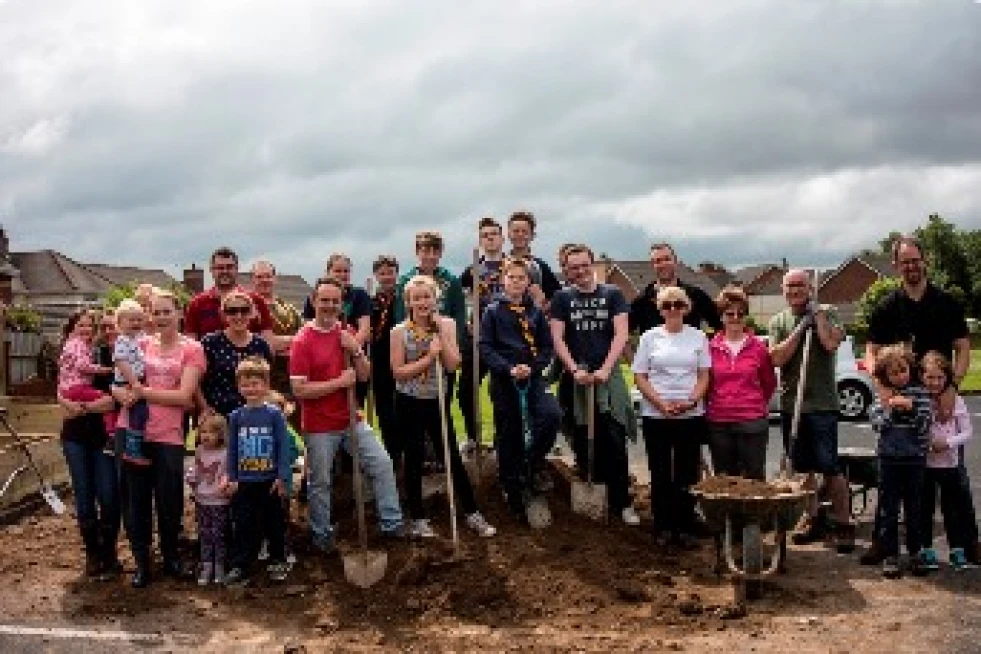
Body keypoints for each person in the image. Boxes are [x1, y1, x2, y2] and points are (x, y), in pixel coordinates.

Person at [864, 235, 979, 565]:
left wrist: (952, 388)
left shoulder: (946, 303)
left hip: (939, 393)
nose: (911, 266)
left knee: (954, 476)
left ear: (924, 260)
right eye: (905, 261)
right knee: (900, 482)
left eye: (916, 260)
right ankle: (886, 543)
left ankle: (970, 542)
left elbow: (962, 348)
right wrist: (882, 387)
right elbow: (871, 350)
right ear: (896, 265)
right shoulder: (887, 306)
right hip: (902, 398)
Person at [290, 277, 404, 554]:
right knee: (320, 481)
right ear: (314, 302)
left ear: (342, 304)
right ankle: (321, 536)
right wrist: (338, 383)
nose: (329, 306)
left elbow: (364, 375)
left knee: (382, 464)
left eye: (335, 301)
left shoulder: (346, 332)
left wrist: (354, 349)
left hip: (351, 418)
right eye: (324, 300)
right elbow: (300, 389)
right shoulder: (303, 340)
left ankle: (391, 523)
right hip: (319, 426)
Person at [391, 275, 497, 539]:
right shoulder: (399, 332)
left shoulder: (446, 325)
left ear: (435, 299)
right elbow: (399, 372)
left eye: (427, 296)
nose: (423, 302)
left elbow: (452, 365)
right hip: (408, 401)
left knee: (450, 456)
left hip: (437, 400)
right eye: (417, 298)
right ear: (409, 303)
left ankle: (472, 512)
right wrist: (428, 358)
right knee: (413, 458)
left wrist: (442, 338)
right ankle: (417, 517)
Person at [113, 290, 206, 588]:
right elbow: (116, 382)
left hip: (168, 435)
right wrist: (121, 393)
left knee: (169, 501)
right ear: (149, 315)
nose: (162, 317)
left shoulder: (192, 349)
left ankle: (170, 558)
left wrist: (143, 392)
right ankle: (142, 562)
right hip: (133, 431)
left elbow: (183, 396)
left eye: (168, 312)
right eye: (157, 312)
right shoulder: (138, 343)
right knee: (135, 501)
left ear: (178, 314)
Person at [550, 244, 640, 526]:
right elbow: (558, 338)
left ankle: (622, 502)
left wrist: (606, 368)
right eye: (573, 267)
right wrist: (573, 368)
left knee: (613, 437)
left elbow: (621, 333)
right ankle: (593, 492)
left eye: (584, 265)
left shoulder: (611, 294)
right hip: (576, 376)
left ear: (593, 264)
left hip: (607, 376)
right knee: (582, 437)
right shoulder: (563, 298)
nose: (580, 271)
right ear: (568, 270)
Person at [768, 269, 855, 553]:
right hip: (793, 404)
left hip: (822, 405)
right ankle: (812, 518)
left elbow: (830, 343)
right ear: (783, 289)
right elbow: (778, 358)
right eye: (790, 286)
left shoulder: (828, 313)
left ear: (810, 288)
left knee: (829, 467)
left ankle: (844, 524)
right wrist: (799, 328)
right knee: (803, 468)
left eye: (800, 286)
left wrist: (816, 317)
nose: (795, 291)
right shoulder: (779, 321)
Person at [480, 258, 561, 524]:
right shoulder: (493, 311)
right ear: (503, 280)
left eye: (521, 278)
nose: (516, 282)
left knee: (551, 416)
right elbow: (486, 347)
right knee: (510, 430)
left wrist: (533, 367)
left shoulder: (535, 312)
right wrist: (508, 369)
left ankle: (532, 463)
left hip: (533, 376)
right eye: (511, 277)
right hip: (505, 379)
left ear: (529, 282)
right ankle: (511, 485)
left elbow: (547, 348)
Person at [632, 286, 711, 547]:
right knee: (661, 470)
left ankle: (686, 525)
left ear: (686, 308)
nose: (673, 310)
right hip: (656, 414)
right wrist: (660, 403)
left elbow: (704, 376)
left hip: (690, 415)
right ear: (660, 310)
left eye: (678, 304)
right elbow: (640, 376)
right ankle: (663, 526)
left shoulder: (698, 337)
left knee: (688, 473)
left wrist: (691, 401)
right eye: (667, 306)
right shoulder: (649, 338)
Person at [56, 309, 121, 580]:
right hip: (75, 437)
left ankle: (110, 552)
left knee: (108, 494)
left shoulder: (110, 357)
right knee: (83, 496)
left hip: (103, 437)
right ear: (71, 329)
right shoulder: (71, 353)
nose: (87, 330)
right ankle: (93, 555)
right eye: (80, 326)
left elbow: (112, 401)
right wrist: (68, 403)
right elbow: (60, 393)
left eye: (90, 326)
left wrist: (81, 407)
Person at [222, 358, 293, 586]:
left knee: (274, 522)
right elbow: (232, 449)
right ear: (239, 387)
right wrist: (232, 477)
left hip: (269, 480)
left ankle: (278, 559)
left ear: (266, 385)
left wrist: (282, 476)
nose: (251, 389)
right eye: (246, 384)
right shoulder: (236, 417)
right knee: (243, 523)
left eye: (256, 383)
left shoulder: (274, 415)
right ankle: (241, 563)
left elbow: (283, 446)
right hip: (244, 481)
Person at [868, 345, 932, 578]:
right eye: (893, 373)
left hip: (914, 459)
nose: (900, 376)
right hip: (889, 459)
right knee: (888, 509)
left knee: (915, 508)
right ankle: (890, 554)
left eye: (903, 370)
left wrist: (911, 408)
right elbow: (877, 425)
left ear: (910, 368)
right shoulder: (881, 396)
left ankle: (916, 552)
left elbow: (925, 424)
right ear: (885, 375)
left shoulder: (921, 393)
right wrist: (889, 410)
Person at [705, 286, 777, 480]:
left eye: (741, 313)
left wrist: (754, 404)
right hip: (719, 422)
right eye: (730, 313)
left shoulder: (759, 348)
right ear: (721, 316)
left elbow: (769, 383)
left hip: (752, 422)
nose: (735, 318)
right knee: (725, 479)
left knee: (753, 479)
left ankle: (754, 512)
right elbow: (706, 384)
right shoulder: (710, 348)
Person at [919, 352, 975, 571]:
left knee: (952, 509)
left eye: (939, 378)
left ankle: (957, 549)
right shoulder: (920, 400)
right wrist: (926, 443)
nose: (934, 382)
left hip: (949, 465)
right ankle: (926, 549)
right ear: (922, 377)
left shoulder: (956, 401)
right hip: (925, 466)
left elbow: (968, 432)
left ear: (947, 379)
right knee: (925, 509)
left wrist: (949, 442)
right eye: (930, 377)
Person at [458, 217, 507, 451]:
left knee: (501, 390)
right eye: (485, 235)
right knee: (466, 388)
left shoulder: (513, 267)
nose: (490, 238)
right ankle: (473, 437)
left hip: (505, 337)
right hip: (477, 336)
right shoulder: (471, 270)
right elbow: (458, 300)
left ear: (502, 238)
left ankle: (502, 439)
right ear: (480, 240)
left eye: (494, 234)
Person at [198, 291, 274, 419]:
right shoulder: (210, 343)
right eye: (232, 311)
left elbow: (267, 383)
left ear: (252, 313)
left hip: (252, 417)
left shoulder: (261, 345)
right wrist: (204, 408)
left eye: (244, 310)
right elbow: (196, 382)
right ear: (224, 315)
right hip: (217, 418)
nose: (238, 316)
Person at [628, 242, 722, 339]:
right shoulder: (641, 301)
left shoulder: (696, 295)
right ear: (652, 265)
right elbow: (622, 333)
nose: (663, 264)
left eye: (667, 259)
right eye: (658, 261)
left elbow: (720, 326)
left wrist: (706, 345)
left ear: (676, 262)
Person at [184, 246, 274, 340]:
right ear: (211, 270)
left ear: (237, 269)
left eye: (229, 267)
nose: (225, 271)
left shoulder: (257, 301)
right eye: (220, 268)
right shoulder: (197, 304)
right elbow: (191, 345)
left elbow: (268, 343)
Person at [185, 413, 230, 585]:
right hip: (202, 499)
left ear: (220, 434)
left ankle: (219, 565)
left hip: (219, 500)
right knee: (204, 533)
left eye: (211, 432)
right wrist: (191, 477)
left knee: (219, 534)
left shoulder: (226, 453)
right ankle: (206, 565)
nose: (205, 435)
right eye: (202, 431)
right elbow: (196, 470)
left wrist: (226, 483)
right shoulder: (199, 451)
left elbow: (229, 474)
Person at [250, 259, 302, 395]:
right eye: (259, 277)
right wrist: (290, 341)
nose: (264, 280)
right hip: (257, 378)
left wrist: (280, 342)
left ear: (275, 278)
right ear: (252, 280)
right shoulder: (245, 309)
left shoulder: (290, 310)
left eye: (268, 276)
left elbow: (304, 340)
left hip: (289, 377)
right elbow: (264, 343)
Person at [370, 255, 402, 465]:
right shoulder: (371, 303)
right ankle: (392, 453)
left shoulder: (404, 299)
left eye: (390, 272)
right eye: (382, 273)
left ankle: (408, 450)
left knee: (402, 406)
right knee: (384, 408)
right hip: (379, 359)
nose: (387, 277)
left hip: (400, 355)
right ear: (376, 276)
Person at [113, 299, 150, 466]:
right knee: (137, 413)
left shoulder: (141, 338)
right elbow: (121, 362)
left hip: (138, 379)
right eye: (131, 320)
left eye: (138, 320)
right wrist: (134, 382)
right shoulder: (122, 341)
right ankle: (133, 450)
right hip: (128, 381)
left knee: (142, 413)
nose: (136, 323)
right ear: (120, 323)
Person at [506, 211, 561, 309]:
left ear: (532, 235)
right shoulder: (500, 265)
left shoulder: (540, 267)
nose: (520, 235)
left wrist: (543, 301)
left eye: (524, 231)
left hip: (533, 321)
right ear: (508, 234)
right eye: (516, 231)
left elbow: (557, 298)